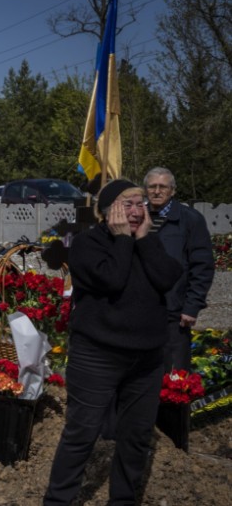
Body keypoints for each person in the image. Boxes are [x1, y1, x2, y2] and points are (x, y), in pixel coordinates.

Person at [44, 179, 183, 505]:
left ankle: (122, 500)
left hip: (146, 360)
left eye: (141, 205)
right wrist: (123, 240)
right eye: (128, 205)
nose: (136, 212)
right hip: (98, 357)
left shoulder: (150, 241)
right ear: (108, 212)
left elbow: (167, 277)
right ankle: (57, 501)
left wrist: (144, 240)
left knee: (135, 437)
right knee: (81, 434)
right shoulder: (87, 244)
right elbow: (112, 279)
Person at [144, 167, 215, 370]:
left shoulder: (190, 219)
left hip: (174, 310)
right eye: (152, 187)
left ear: (173, 191)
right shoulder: (137, 217)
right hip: (142, 309)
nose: (157, 191)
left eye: (163, 187)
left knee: (174, 373)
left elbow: (202, 266)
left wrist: (192, 306)